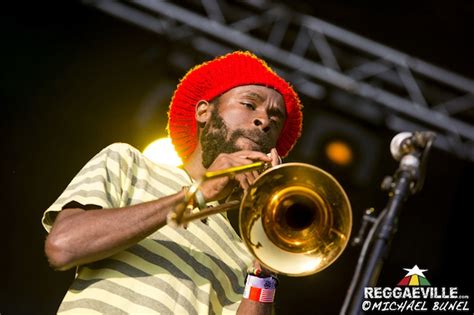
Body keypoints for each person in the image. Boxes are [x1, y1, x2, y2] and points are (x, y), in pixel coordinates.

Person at [42, 51, 303, 314]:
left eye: (275, 118)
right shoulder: (129, 162)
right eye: (249, 104)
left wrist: (265, 265)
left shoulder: (245, 246)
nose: (265, 121)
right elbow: (64, 246)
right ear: (204, 111)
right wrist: (194, 195)